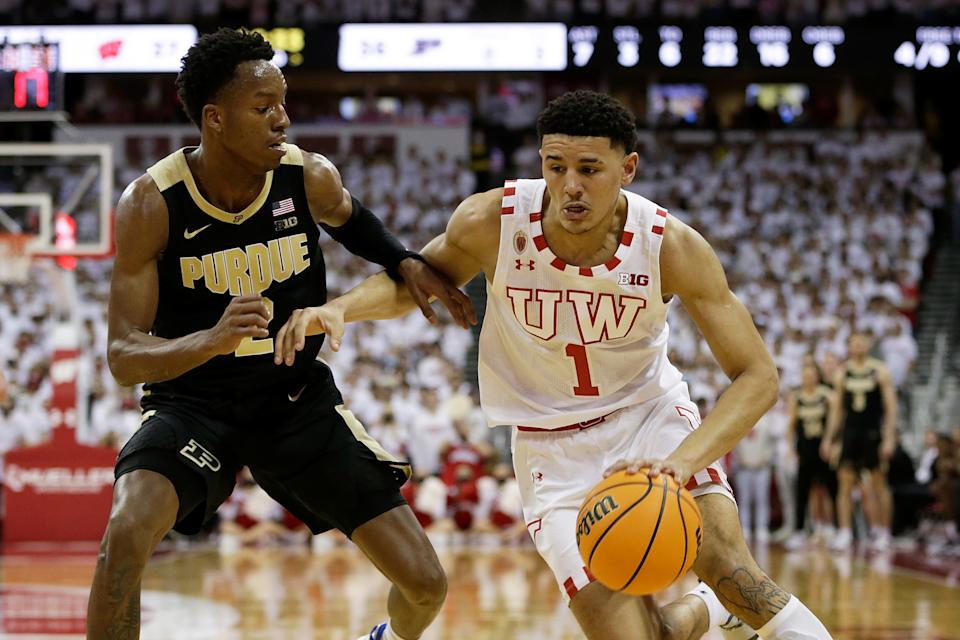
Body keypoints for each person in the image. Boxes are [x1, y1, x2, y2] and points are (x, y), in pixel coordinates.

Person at [275, 90, 832, 640]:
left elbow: (758, 377)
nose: (570, 185)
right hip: (551, 450)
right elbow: (418, 281)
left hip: (648, 419)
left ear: (628, 168)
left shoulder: (670, 245)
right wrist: (340, 307)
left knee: (736, 575)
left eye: (589, 168)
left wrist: (681, 464)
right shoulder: (493, 220)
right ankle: (704, 614)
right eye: (555, 165)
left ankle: (727, 601)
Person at [86, 29, 475, 640]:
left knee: (426, 583)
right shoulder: (151, 203)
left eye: (283, 104)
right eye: (264, 108)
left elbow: (353, 220)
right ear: (214, 119)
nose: (283, 120)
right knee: (124, 537)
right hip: (195, 407)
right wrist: (208, 341)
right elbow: (122, 356)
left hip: (297, 403)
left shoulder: (307, 177)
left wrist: (403, 261)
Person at [821, 330, 898, 552]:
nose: (858, 345)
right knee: (844, 482)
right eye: (854, 342)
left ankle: (883, 532)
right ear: (848, 346)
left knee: (878, 483)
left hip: (873, 433)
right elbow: (837, 411)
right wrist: (829, 439)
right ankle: (845, 531)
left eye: (862, 342)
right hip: (850, 433)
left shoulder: (879, 370)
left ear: (868, 344)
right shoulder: (842, 373)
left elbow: (890, 407)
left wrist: (889, 438)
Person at [784, 360, 837, 550]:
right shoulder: (796, 397)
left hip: (823, 449)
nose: (808, 378)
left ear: (818, 376)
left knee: (830, 488)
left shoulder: (827, 396)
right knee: (803, 490)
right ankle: (801, 530)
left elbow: (834, 421)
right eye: (805, 375)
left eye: (812, 375)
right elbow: (791, 425)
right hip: (804, 448)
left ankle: (833, 528)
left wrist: (829, 441)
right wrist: (790, 448)